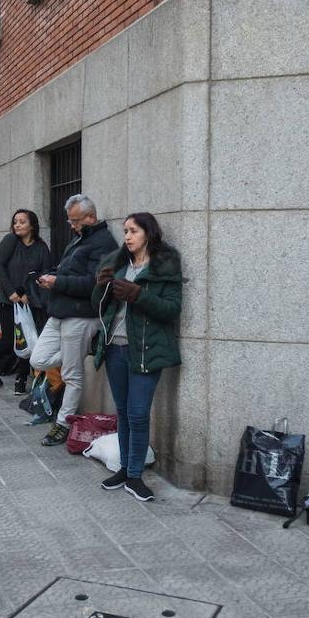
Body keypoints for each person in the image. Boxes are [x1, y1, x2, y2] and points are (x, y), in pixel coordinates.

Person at [90, 213, 183, 502]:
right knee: (123, 411)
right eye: (125, 231)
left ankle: (134, 476)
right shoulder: (117, 263)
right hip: (114, 347)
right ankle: (125, 470)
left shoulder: (165, 264)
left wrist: (138, 295)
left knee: (138, 413)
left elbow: (171, 309)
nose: (127, 236)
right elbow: (99, 306)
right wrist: (101, 287)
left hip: (145, 349)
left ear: (148, 233)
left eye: (133, 231)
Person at [30, 194, 118, 446]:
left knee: (72, 375)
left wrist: (58, 281)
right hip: (60, 311)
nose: (72, 225)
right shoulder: (81, 238)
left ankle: (62, 424)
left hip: (79, 315)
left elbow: (94, 284)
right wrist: (50, 276)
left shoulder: (104, 244)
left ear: (91, 217)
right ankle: (79, 352)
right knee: (37, 358)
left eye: (75, 220)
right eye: (70, 220)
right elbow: (67, 269)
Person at [0, 209, 53, 394]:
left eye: (22, 221)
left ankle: (21, 380)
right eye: (15, 222)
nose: (17, 225)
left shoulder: (41, 247)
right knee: (11, 338)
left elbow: (45, 273)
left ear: (32, 225)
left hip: (31, 301)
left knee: (29, 341)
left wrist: (31, 292)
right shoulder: (11, 241)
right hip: (8, 301)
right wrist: (11, 292)